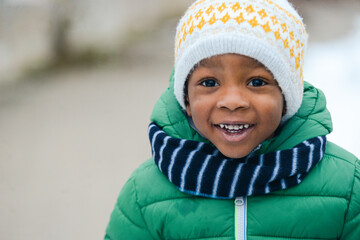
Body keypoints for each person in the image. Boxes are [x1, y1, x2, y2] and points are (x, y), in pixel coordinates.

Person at [104, 0, 360, 239]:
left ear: (287, 96)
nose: (233, 100)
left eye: (257, 82)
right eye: (209, 82)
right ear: (187, 100)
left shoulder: (346, 186)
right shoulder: (145, 193)